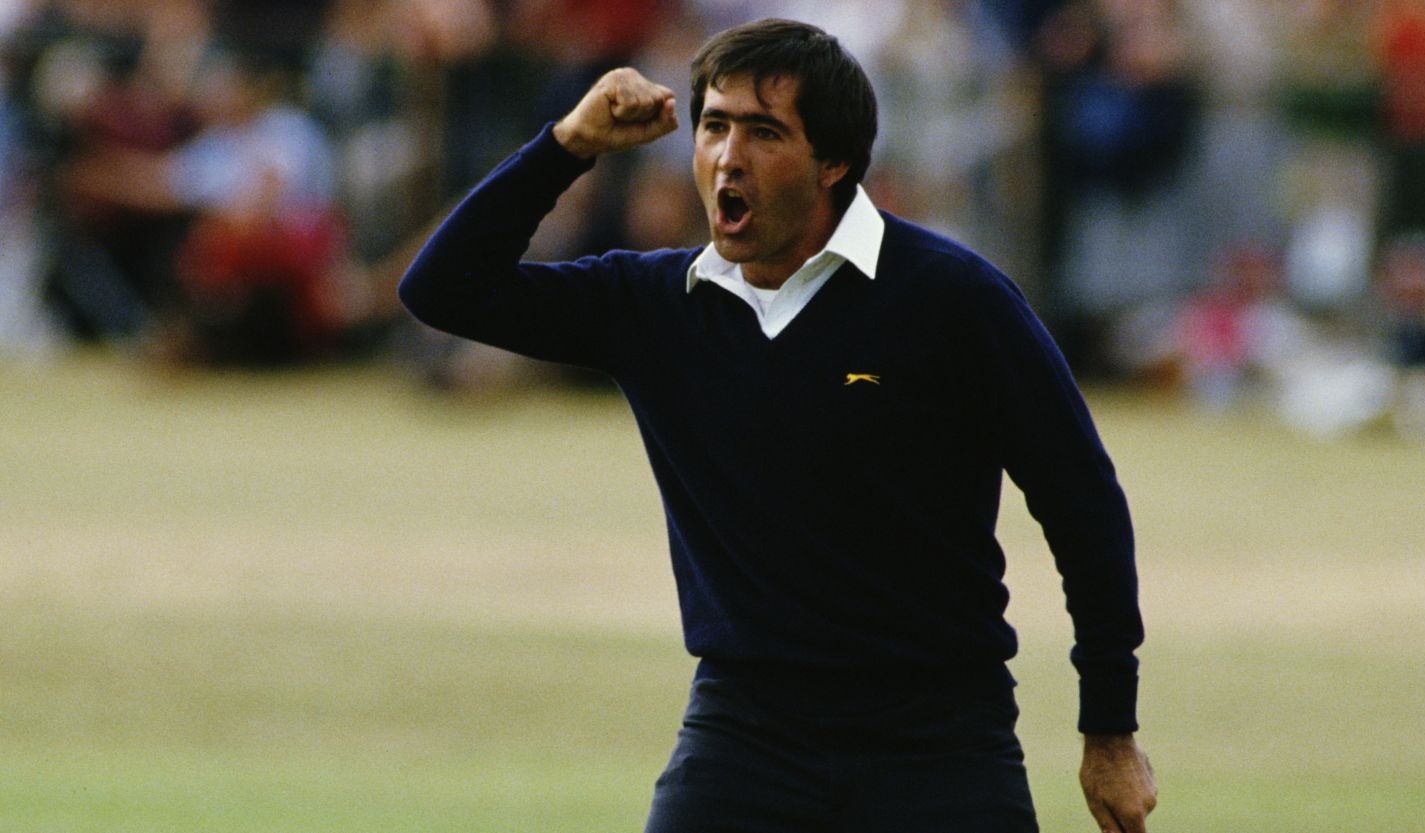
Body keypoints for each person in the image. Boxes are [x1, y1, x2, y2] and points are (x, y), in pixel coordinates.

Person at [399, 18, 1155, 833]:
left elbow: (1083, 505)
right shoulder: (653, 304)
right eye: (714, 126)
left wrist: (1108, 727)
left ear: (833, 161)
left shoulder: (954, 300)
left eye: (764, 132)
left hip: (940, 741)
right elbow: (442, 288)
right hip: (742, 738)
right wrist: (569, 143)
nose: (728, 155)